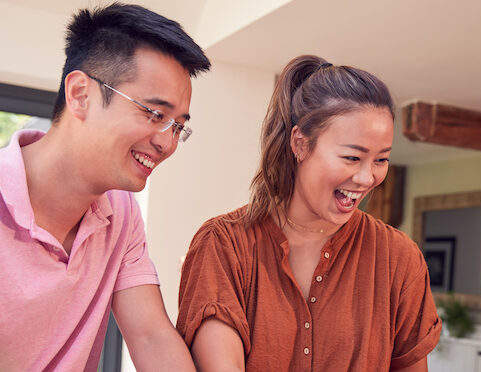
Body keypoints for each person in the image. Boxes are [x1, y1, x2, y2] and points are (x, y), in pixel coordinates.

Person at [0, 3, 209, 371]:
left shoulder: (120, 212)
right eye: (154, 114)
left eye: (178, 126)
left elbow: (152, 337)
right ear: (80, 94)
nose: (167, 144)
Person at [177, 55, 441, 371]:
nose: (367, 178)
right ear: (300, 143)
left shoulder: (398, 257)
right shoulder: (223, 245)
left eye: (381, 160)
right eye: (352, 157)